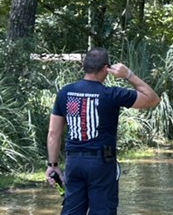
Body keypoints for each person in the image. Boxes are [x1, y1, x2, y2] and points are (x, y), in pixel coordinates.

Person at [45, 47, 160, 214]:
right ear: (106, 68)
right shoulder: (111, 94)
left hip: (74, 163)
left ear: (84, 66)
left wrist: (52, 165)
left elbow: (53, 133)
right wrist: (129, 75)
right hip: (101, 165)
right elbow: (153, 99)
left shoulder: (65, 92)